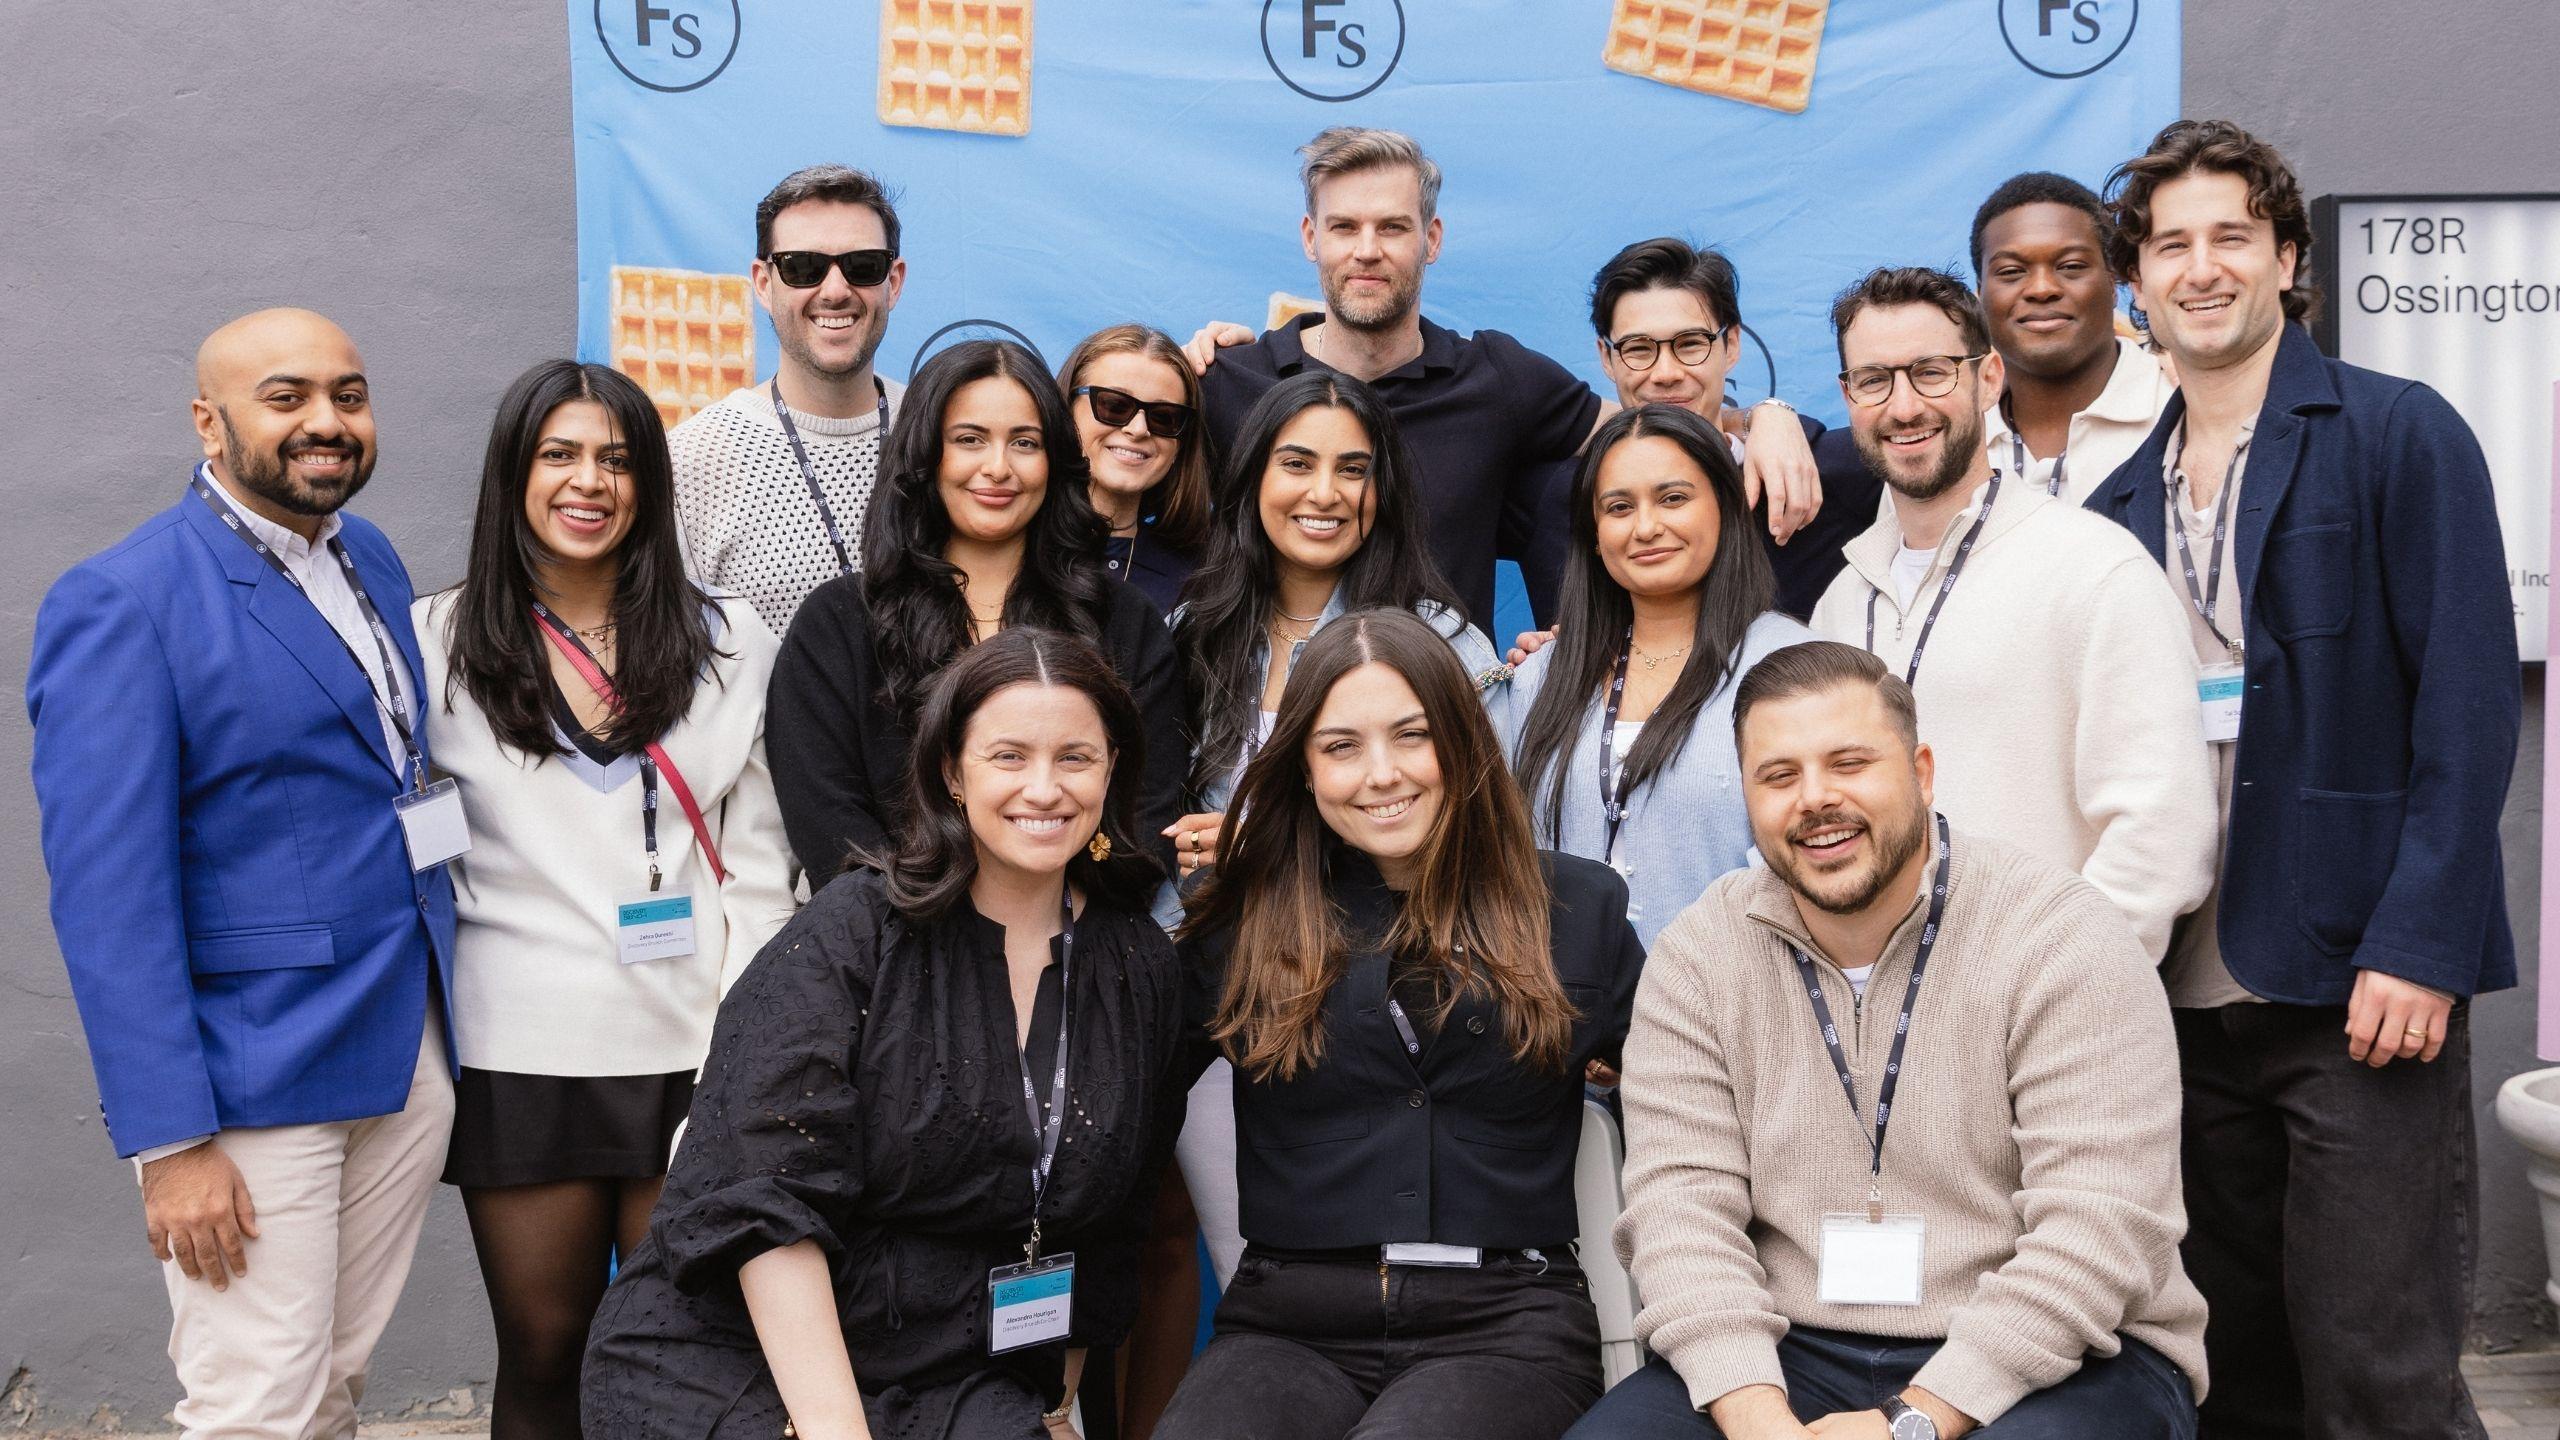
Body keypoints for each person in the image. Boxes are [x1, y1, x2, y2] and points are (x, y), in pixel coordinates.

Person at [2086, 119, 2521, 1439]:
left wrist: (2423, 944)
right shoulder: (2112, 508)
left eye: (2233, 237)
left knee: (2379, 1372)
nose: (2201, 266)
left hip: (2354, 985)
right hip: (2176, 999)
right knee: (2236, 1374)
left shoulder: (2398, 434)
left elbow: (2466, 697)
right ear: (2138, 280)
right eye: (2172, 244)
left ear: (2288, 259)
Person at [1571, 640, 2208, 1440]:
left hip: (2067, 1355)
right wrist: (1754, 1412)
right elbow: (1680, 1216)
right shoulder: (1700, 956)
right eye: (1779, 776)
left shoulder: (2063, 939)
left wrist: (1908, 1424)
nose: (1815, 799)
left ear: (1922, 771)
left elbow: (2098, 1233)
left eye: (1850, 763)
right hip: (1788, 1347)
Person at [27, 309, 460, 1439]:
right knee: (253, 1406)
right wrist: (172, 1148)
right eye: (287, 397)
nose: (326, 421)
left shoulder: (368, 556)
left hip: (400, 1045)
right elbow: (106, 898)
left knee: (327, 1390)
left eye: (349, 395)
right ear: (208, 425)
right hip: (252, 1082)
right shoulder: (122, 601)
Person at [583, 627, 1184, 1440]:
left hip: (956, 1363)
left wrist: (1058, 1405)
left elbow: (1108, 1225)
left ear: (1112, 770)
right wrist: (832, 1425)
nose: (1044, 788)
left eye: (1075, 758)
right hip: (750, 1354)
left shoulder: (1139, 967)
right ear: (951, 772)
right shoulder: (852, 932)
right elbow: (766, 1200)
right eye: (1008, 756)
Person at [416, 359, 797, 1440]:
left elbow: (762, 872)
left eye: (618, 459)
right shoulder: (431, 641)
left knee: (694, 1354)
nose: (590, 482)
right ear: (514, 474)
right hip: (520, 1049)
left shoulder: (730, 641)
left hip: (692, 1050)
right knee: (546, 1352)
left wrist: (744, 1049)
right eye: (561, 455)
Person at [1152, 609, 1644, 1440]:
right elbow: (1119, 1102)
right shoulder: (1243, 920)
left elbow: (1697, 1105)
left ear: (1462, 741)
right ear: (1304, 769)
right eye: (1341, 746)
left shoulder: (1578, 910)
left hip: (1505, 1329)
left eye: (1412, 735)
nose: (1381, 774)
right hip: (1287, 1324)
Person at [1805, 267, 2214, 963]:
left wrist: (2051, 993)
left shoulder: (2094, 569)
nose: (1904, 407)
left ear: (1988, 379)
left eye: (1931, 372)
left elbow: (2163, 830)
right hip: (1878, 1023)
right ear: (1849, 398)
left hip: (2048, 1023)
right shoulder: (1840, 604)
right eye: (1875, 380)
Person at [765, 338, 1187, 880]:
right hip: (886, 947)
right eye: (969, 439)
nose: (997, 468)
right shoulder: (838, 625)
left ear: (1055, 459)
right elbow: (828, 823)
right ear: (925, 454)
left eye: (1025, 443)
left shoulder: (1123, 620)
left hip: (1077, 943)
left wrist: (1048, 922)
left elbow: (1146, 812)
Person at [1178, 126, 1607, 633]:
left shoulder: (1497, 378)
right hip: (1267, 702)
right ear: (1311, 238)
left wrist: (1727, 420)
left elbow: (1649, 441)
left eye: (1392, 228)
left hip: (1447, 700)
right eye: (1344, 227)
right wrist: (1174, 376)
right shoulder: (1230, 381)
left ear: (1431, 238)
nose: (1366, 250)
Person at [1493, 404, 1811, 942]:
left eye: (1673, 498)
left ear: (1725, 508)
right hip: (1565, 1015)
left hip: (1737, 1007)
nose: (1646, 527)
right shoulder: (1537, 680)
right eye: (1619, 507)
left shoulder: (1795, 668)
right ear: (1594, 533)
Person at [671, 164, 908, 637]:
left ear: (893, 281)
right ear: (763, 282)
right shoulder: (692, 459)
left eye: (863, 266)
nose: (835, 291)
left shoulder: (947, 432)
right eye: (803, 267)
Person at [1584, 237, 1869, 620]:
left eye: (1689, 344)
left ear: (1731, 344)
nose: (1665, 373)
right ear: (1607, 357)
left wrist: (1773, 413)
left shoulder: (1825, 473)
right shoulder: (1568, 499)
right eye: (1638, 349)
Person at [1969, 172, 2176, 507]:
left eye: (2070, 266)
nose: (2042, 289)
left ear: (2113, 284)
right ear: (1980, 296)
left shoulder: (2179, 412)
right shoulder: (1951, 433)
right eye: (2011, 271)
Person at [1060, 324, 1216, 612]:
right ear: (1066, 411)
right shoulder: (1015, 547)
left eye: (1164, 417)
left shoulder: (1203, 578)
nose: (1138, 428)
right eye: (1114, 405)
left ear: (1181, 442)